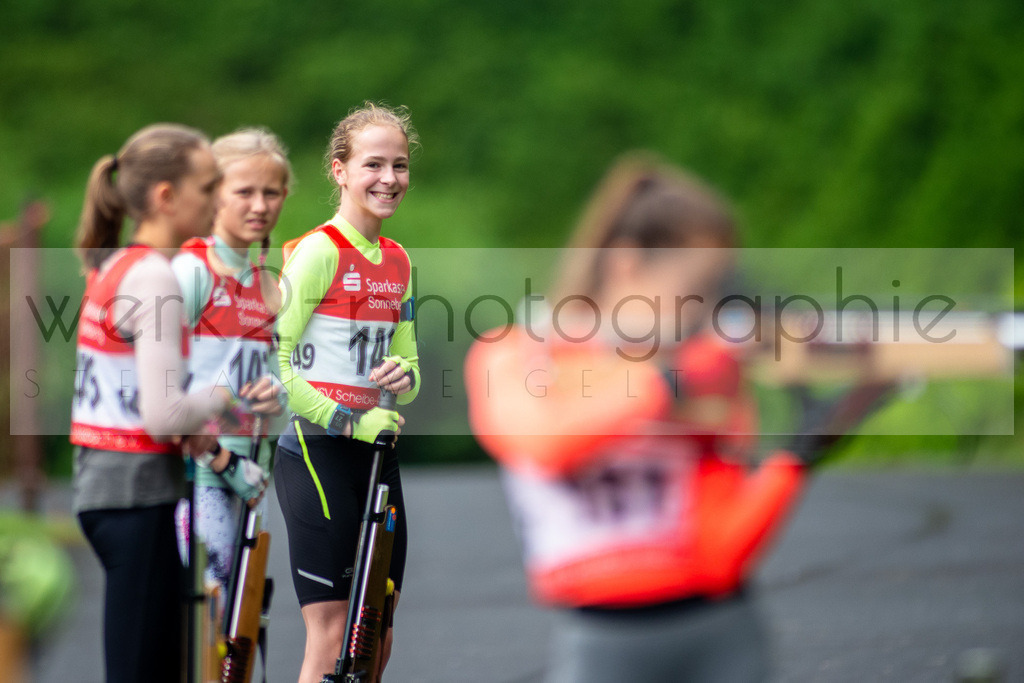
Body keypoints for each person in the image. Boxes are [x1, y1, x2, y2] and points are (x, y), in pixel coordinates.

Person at [464, 153, 893, 682]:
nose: (702, 310)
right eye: (695, 290)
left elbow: (720, 558)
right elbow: (543, 443)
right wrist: (668, 383)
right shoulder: (516, 354)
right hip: (601, 642)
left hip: (723, 634)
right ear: (626, 263)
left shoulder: (703, 377)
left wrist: (798, 454)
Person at [69, 123, 278, 683]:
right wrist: (234, 399)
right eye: (209, 188)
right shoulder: (158, 276)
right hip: (138, 494)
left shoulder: (117, 263)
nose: (217, 201)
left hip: (106, 487)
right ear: (166, 196)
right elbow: (162, 413)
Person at [273, 102, 420, 683]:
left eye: (400, 166)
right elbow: (273, 363)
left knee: (377, 632)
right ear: (339, 170)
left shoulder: (400, 261)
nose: (389, 179)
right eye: (374, 164)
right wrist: (349, 420)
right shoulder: (319, 252)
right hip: (317, 451)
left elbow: (406, 364)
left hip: (376, 453)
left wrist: (400, 381)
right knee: (334, 629)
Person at [172, 127, 291, 594]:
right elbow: (160, 385)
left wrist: (274, 395)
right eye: (244, 192)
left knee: (238, 628)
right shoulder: (193, 270)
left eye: (271, 193)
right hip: (199, 472)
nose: (259, 206)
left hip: (249, 471)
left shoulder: (265, 280)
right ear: (213, 194)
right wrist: (218, 457)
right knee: (210, 621)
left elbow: (270, 376)